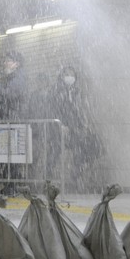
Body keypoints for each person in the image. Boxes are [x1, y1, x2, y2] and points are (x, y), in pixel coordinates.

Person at [48, 65, 104, 193]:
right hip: (59, 129)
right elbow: (54, 110)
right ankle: (48, 180)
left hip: (75, 128)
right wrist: (61, 124)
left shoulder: (77, 91)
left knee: (90, 146)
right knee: (54, 153)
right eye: (67, 74)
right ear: (62, 76)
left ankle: (76, 175)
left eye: (72, 74)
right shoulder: (56, 91)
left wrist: (84, 124)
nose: (69, 77)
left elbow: (81, 110)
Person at [0, 50, 27, 195]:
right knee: (8, 156)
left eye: (8, 60)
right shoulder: (12, 78)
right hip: (10, 120)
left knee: (12, 157)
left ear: (16, 64)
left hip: (14, 121)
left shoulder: (19, 78)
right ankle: (9, 185)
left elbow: (8, 94)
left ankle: (13, 186)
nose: (5, 63)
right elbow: (8, 100)